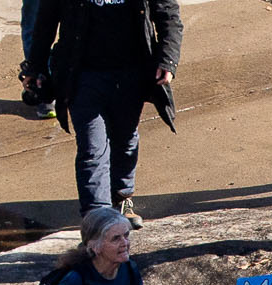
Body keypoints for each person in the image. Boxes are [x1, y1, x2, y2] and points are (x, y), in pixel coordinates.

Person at [25, 0, 179, 212]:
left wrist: (167, 60)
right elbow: (46, 20)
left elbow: (168, 14)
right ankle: (97, 217)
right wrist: (36, 67)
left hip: (130, 75)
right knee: (92, 147)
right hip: (82, 76)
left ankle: (121, 197)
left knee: (125, 139)